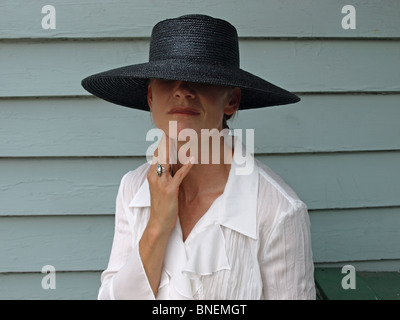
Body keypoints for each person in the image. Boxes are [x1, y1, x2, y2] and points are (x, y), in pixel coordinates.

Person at [82, 14, 315, 300]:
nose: (182, 91)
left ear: (232, 101)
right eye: (168, 79)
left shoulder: (277, 211)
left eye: (201, 80)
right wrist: (157, 222)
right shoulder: (133, 188)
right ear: (151, 98)